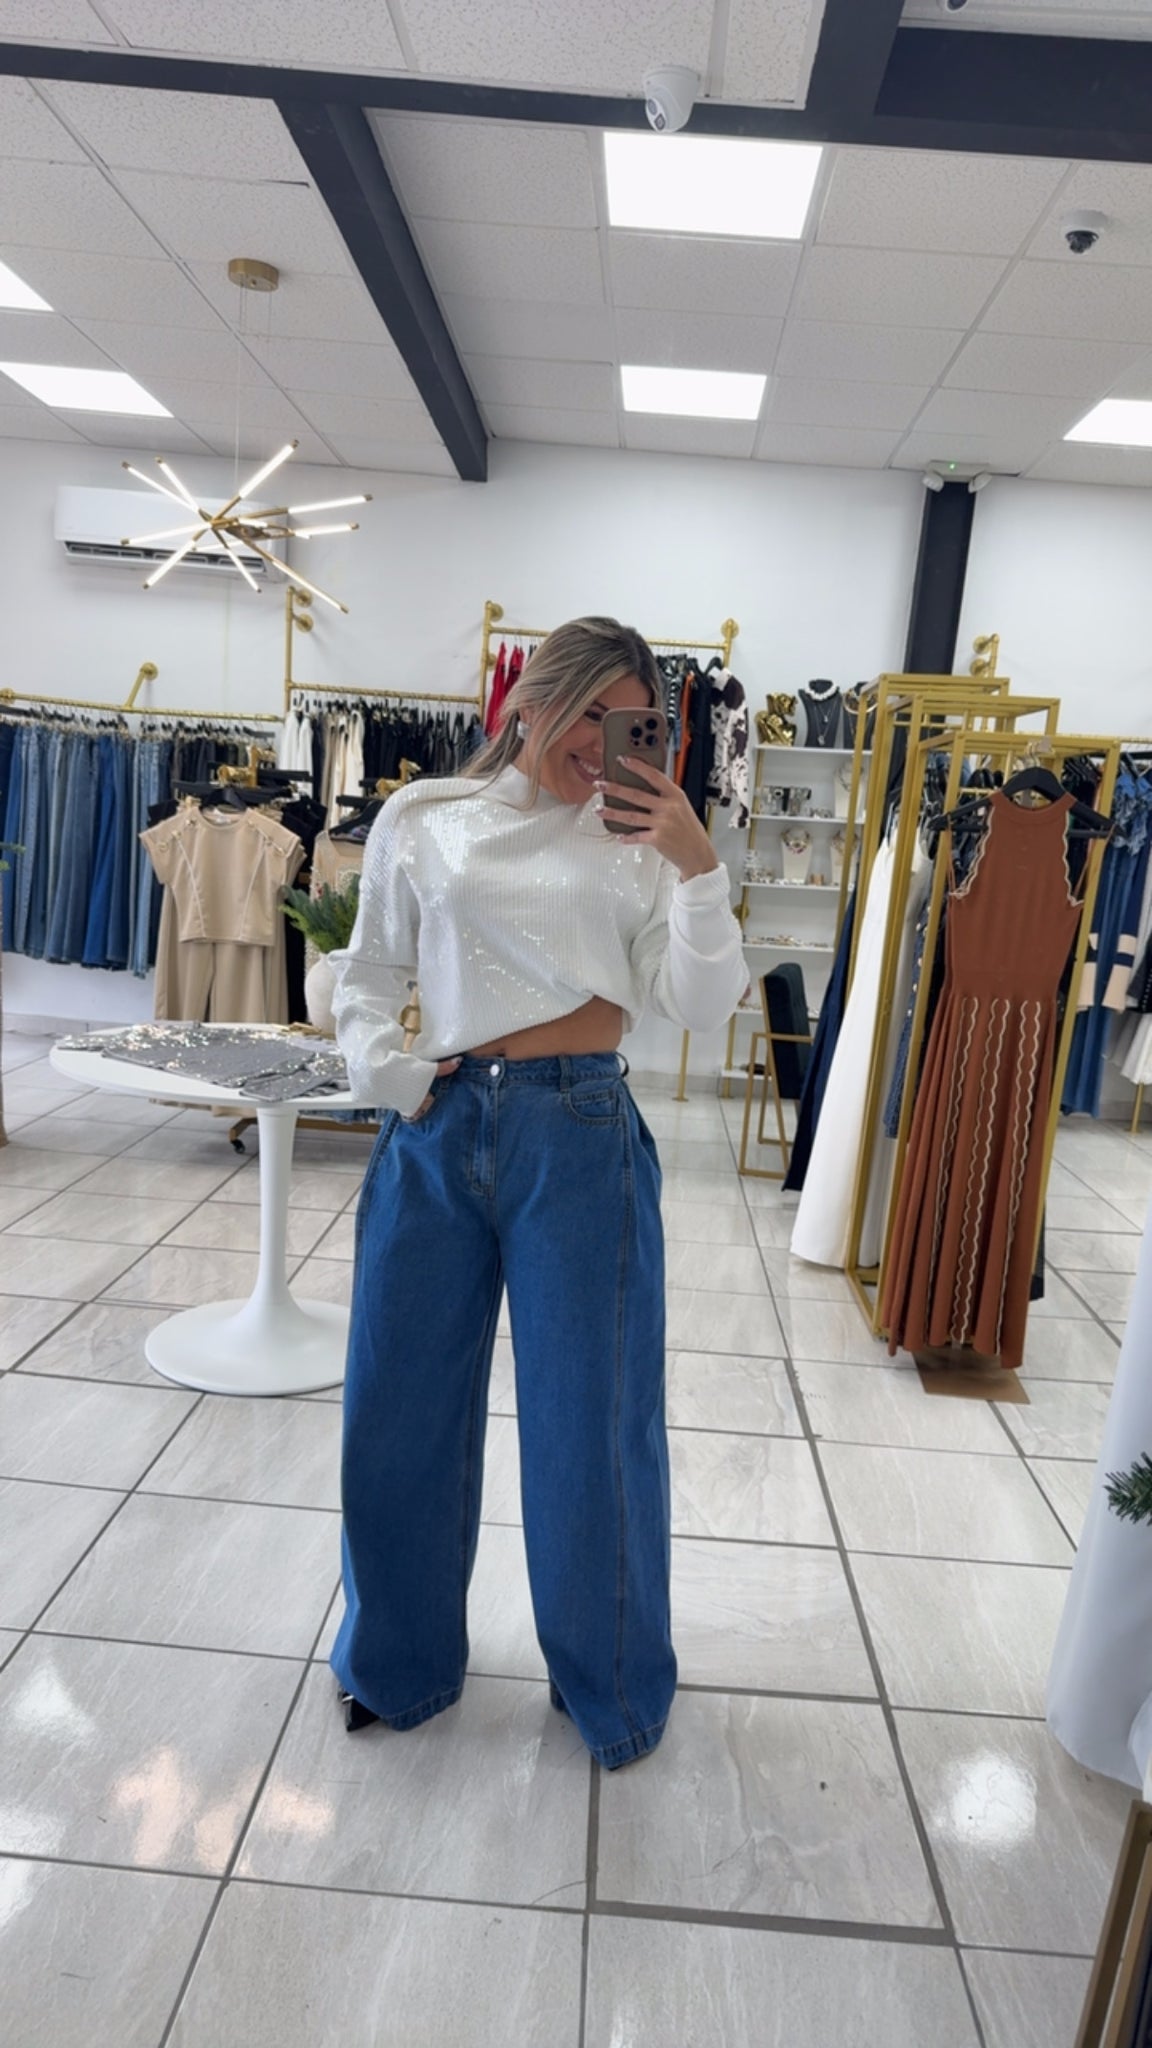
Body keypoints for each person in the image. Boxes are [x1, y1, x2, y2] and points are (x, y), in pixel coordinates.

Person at [328, 616, 746, 1769]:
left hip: (580, 1127)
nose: (602, 744)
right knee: (399, 1404)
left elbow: (700, 1003)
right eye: (589, 714)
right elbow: (367, 972)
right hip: (438, 1124)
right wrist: (391, 1072)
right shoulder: (425, 817)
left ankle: (611, 1682)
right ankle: (394, 1660)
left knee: (593, 1422)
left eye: (632, 723)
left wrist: (698, 864)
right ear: (529, 702)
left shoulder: (640, 840)